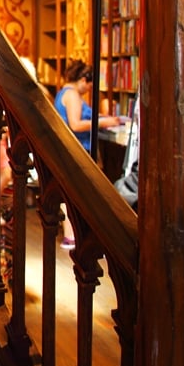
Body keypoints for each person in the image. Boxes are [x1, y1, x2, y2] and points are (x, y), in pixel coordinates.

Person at [55, 59, 120, 245]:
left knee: (73, 193)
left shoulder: (63, 93)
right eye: (90, 85)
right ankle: (77, 235)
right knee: (82, 193)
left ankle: (72, 235)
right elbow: (75, 124)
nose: (89, 89)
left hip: (72, 149)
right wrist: (104, 122)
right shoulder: (73, 95)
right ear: (84, 80)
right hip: (79, 150)